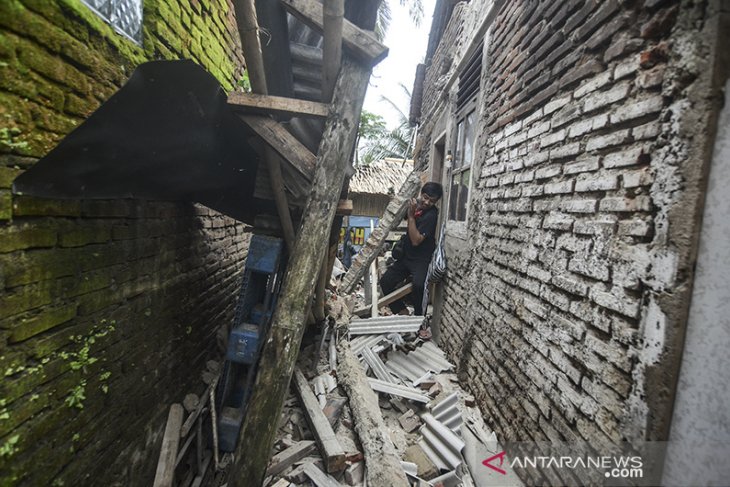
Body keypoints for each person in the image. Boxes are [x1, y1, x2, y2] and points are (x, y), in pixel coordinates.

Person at [380, 182, 443, 316]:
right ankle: (402, 312)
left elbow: (416, 240)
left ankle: (420, 321)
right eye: (425, 197)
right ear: (421, 193)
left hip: (421, 259)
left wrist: (411, 216)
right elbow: (399, 214)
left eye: (432, 201)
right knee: (386, 282)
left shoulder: (431, 215)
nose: (426, 202)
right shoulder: (416, 206)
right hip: (406, 256)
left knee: (419, 286)